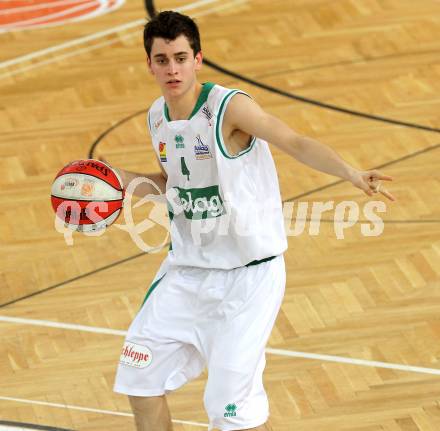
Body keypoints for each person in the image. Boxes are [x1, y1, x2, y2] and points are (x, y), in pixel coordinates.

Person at [110, 10, 395, 431]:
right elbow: (172, 183)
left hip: (248, 278)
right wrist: (115, 183)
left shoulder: (229, 108)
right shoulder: (158, 117)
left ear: (198, 59)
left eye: (181, 57)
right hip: (187, 271)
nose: (173, 68)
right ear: (149, 64)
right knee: (140, 376)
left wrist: (350, 172)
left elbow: (294, 140)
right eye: (163, 59)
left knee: (231, 408)